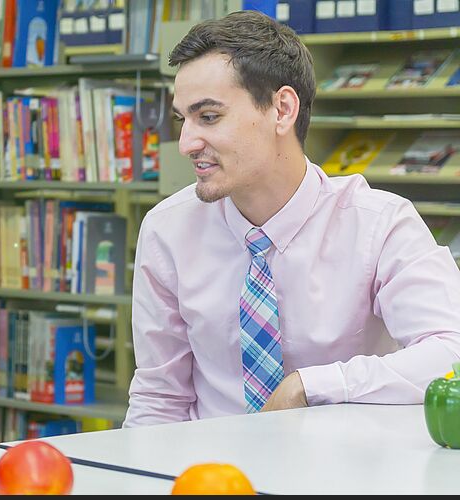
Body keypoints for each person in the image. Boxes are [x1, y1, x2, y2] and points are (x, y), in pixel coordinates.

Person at [125, 11, 460, 426]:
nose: (186, 143)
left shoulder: (379, 225)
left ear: (282, 109)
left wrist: (313, 386)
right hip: (212, 479)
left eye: (208, 117)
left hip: (344, 477)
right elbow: (159, 397)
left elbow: (451, 352)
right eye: (183, 119)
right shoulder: (167, 230)